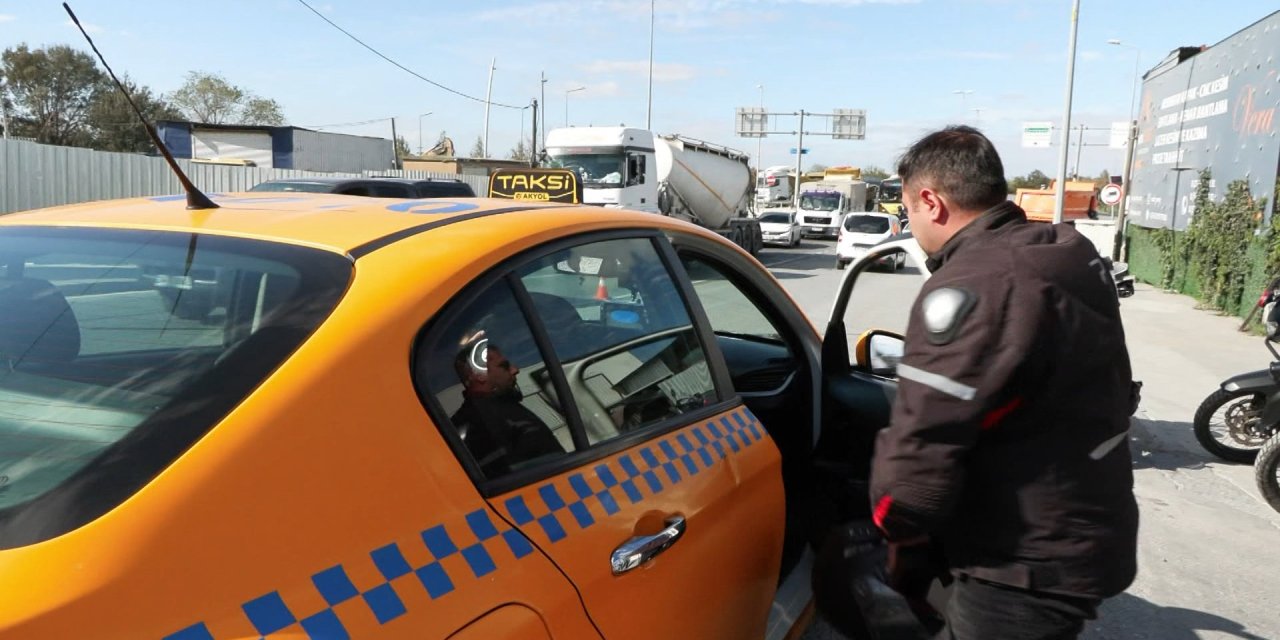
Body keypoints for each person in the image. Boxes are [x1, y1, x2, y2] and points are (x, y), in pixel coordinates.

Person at [868, 126, 1140, 639]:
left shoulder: (974, 285)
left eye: (907, 210)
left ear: (931, 202)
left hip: (1019, 561)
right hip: (1083, 525)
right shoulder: (1066, 250)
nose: (910, 222)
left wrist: (894, 531)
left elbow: (923, 449)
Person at [451, 332, 563, 477]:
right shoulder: (482, 423)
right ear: (479, 375)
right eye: (504, 366)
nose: (515, 369)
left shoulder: (500, 408)